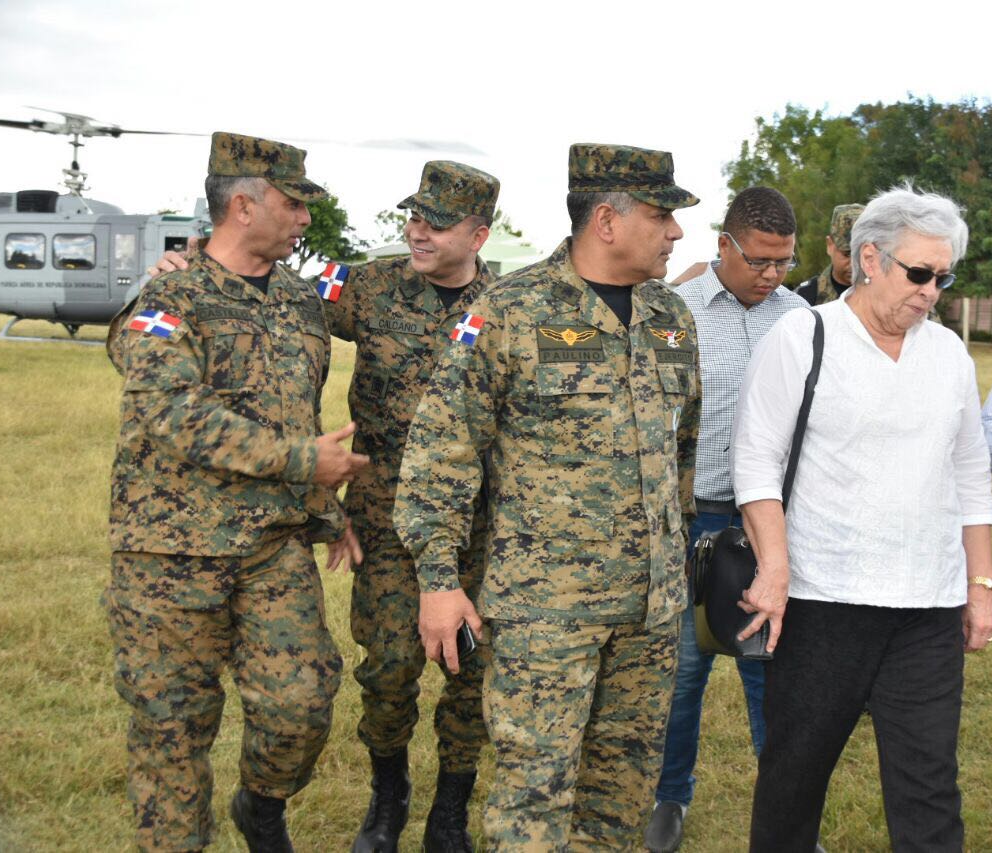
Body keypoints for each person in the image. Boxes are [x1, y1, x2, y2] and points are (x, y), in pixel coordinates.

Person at [392, 143, 702, 850]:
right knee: (534, 794)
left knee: (619, 800)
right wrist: (439, 580)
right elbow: (442, 452)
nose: (677, 232)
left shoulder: (672, 317)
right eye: (663, 215)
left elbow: (681, 449)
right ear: (607, 221)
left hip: (651, 614)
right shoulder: (510, 311)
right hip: (545, 613)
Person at [105, 132, 369, 852]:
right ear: (244, 205)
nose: (304, 218)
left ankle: (260, 803)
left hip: (269, 546)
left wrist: (326, 510)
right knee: (173, 731)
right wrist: (298, 463)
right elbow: (166, 411)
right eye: (293, 203)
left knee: (304, 701)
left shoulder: (297, 300)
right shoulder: (171, 293)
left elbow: (297, 415)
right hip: (169, 555)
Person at [733, 185, 992, 852]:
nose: (931, 291)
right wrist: (775, 565)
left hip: (927, 610)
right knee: (794, 776)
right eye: (919, 273)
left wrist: (981, 583)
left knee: (930, 786)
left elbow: (970, 473)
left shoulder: (949, 355)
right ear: (872, 258)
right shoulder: (805, 335)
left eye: (943, 277)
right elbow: (757, 461)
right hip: (824, 602)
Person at [324, 161, 500, 853]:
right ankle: (388, 792)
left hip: (478, 526)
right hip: (385, 515)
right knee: (391, 662)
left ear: (479, 233)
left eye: (437, 222)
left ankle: (450, 808)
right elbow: (271, 298)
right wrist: (175, 275)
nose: (417, 231)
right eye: (413, 217)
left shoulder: (509, 307)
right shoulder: (363, 285)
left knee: (470, 670)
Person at [643, 186, 804, 853]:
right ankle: (668, 797)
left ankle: (786, 815)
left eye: (784, 262)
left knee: (774, 669)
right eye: (760, 260)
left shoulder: (802, 318)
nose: (771, 275)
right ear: (724, 246)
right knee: (684, 670)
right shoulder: (676, 312)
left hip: (774, 525)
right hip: (697, 518)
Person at [794, 202, 864, 305]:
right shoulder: (804, 297)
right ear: (830, 245)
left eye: (862, 254)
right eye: (847, 254)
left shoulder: (886, 293)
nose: (855, 263)